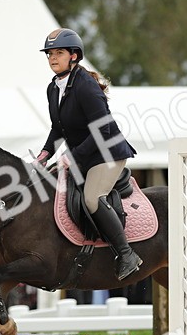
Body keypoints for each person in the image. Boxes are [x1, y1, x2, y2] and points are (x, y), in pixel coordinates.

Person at [32, 28, 141, 280]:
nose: (52, 58)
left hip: (107, 153)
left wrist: (73, 157)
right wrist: (45, 154)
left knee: (92, 199)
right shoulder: (53, 88)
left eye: (59, 53)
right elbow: (58, 128)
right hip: (84, 155)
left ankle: (127, 254)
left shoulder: (86, 85)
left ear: (74, 55)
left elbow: (102, 129)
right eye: (49, 54)